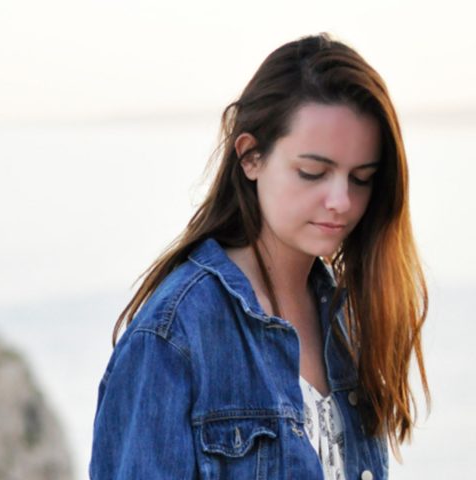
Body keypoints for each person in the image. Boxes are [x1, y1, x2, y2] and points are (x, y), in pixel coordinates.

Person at [89, 33, 429, 480]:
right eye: (313, 172)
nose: (341, 201)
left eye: (362, 178)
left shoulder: (349, 322)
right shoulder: (174, 336)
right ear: (251, 157)